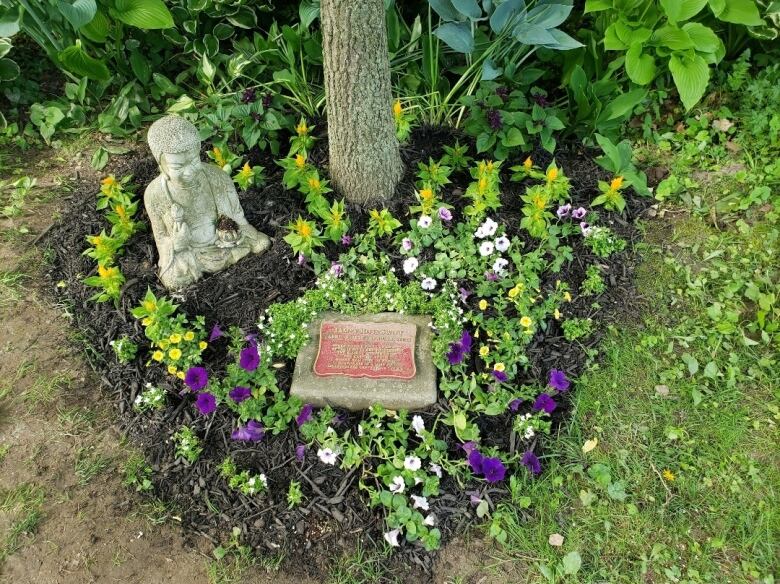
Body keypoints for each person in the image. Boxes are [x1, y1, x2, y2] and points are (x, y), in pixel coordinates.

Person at [144, 116, 270, 289]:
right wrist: (177, 243)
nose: (189, 171)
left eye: (194, 161)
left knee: (262, 243)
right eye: (178, 167)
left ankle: (227, 255)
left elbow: (237, 216)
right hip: (191, 252)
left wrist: (234, 230)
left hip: (226, 240)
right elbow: (161, 238)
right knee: (174, 280)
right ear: (162, 166)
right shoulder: (155, 195)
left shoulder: (217, 177)